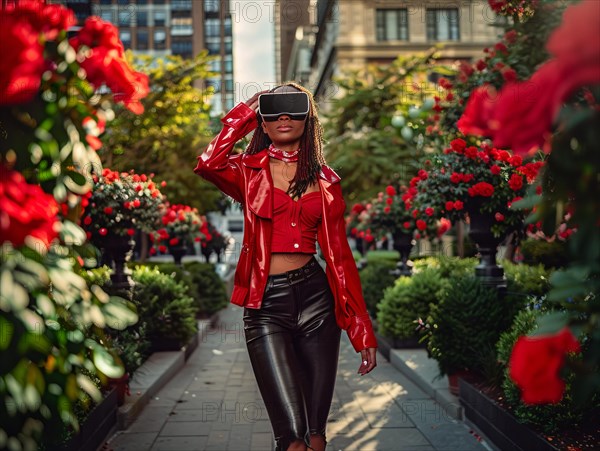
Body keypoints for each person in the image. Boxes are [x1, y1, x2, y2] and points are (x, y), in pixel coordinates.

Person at [194, 82, 377, 451]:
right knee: (292, 438)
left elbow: (340, 258)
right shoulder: (247, 173)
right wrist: (246, 112)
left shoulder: (326, 182)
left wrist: (360, 328)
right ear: (262, 121)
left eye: (293, 107)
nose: (282, 116)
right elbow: (208, 162)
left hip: (317, 302)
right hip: (265, 307)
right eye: (273, 108)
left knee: (315, 436)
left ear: (307, 118)